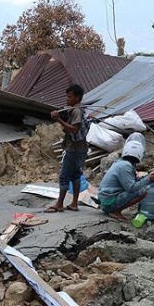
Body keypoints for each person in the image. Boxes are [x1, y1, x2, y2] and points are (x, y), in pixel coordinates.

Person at [99, 133, 154, 222]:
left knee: (142, 187)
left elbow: (131, 181)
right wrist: (148, 178)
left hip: (106, 200)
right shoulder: (125, 166)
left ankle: (114, 209)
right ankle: (115, 211)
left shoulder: (121, 162)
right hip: (108, 203)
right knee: (142, 192)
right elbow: (131, 188)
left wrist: (145, 178)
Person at [46, 84, 88, 213]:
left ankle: (59, 203)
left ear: (77, 97)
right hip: (80, 149)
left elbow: (74, 130)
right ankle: (74, 204)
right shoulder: (77, 110)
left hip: (74, 149)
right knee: (75, 175)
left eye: (69, 97)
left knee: (64, 176)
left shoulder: (76, 111)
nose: (67, 99)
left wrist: (58, 120)